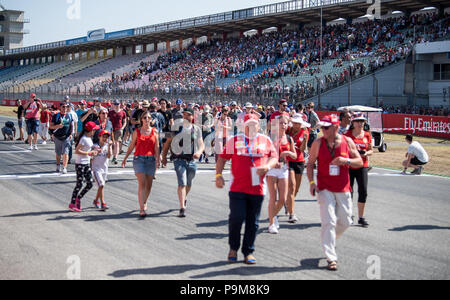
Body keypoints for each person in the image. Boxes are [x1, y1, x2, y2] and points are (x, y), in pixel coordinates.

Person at [216, 113, 278, 264]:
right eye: (248, 124)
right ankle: (233, 248)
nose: (251, 127)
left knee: (253, 222)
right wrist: (218, 175)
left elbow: (274, 157)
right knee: (236, 218)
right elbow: (223, 158)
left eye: (254, 124)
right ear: (244, 126)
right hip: (237, 188)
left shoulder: (265, 140)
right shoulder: (235, 140)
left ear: (258, 125)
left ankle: (248, 252)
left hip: (257, 189)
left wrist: (267, 166)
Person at [307, 114, 363, 271]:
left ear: (336, 128)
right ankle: (331, 258)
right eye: (322, 127)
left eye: (326, 127)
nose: (323, 130)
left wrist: (346, 161)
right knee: (329, 221)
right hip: (324, 188)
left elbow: (360, 162)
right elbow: (310, 164)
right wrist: (312, 183)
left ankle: (330, 239)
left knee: (346, 222)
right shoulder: (318, 143)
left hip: (343, 188)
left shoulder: (347, 141)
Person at [162, 107, 204, 218]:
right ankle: (182, 208)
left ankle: (184, 197)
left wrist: (199, 152)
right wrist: (164, 157)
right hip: (178, 159)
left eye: (188, 115)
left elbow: (201, 144)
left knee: (189, 184)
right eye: (184, 115)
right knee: (182, 183)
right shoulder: (176, 128)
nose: (186, 117)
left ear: (192, 116)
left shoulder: (196, 129)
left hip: (192, 160)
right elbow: (167, 142)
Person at [122, 111, 160, 218]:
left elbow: (156, 147)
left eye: (149, 117)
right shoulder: (137, 131)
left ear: (151, 120)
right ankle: (141, 209)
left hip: (151, 160)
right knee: (142, 183)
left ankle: (144, 201)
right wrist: (125, 158)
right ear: (141, 120)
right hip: (139, 159)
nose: (147, 119)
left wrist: (158, 159)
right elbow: (131, 145)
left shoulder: (155, 131)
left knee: (149, 186)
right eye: (145, 117)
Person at [267, 115, 297, 234]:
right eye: (281, 123)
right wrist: (273, 162)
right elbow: (265, 153)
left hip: (284, 168)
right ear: (276, 124)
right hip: (272, 169)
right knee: (273, 197)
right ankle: (271, 224)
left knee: (282, 199)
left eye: (285, 123)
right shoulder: (271, 137)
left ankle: (272, 217)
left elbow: (295, 155)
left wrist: (287, 152)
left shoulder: (289, 139)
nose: (283, 125)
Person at [344, 113, 373, 228]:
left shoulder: (367, 135)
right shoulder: (347, 135)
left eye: (362, 121)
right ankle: (349, 215)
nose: (360, 123)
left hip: (363, 165)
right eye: (357, 121)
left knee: (363, 191)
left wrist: (366, 153)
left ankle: (361, 217)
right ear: (353, 122)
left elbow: (371, 150)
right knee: (348, 192)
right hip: (350, 166)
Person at [69, 121, 100, 212]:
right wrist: (88, 153)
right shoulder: (83, 139)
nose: (95, 131)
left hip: (86, 163)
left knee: (90, 183)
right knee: (79, 184)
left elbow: (89, 147)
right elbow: (77, 151)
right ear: (91, 130)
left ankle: (78, 198)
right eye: (94, 129)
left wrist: (95, 149)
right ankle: (72, 203)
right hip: (80, 163)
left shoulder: (89, 138)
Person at [286, 113, 310, 223]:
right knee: (292, 185)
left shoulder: (304, 132)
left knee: (297, 188)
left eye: (298, 123)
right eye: (295, 123)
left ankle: (289, 203)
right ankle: (291, 213)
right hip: (289, 160)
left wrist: (305, 140)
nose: (296, 125)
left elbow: (302, 149)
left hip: (299, 161)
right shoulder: (288, 131)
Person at [92, 130, 113, 211]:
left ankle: (96, 200)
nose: (105, 139)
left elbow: (108, 156)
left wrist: (109, 146)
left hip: (104, 169)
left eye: (106, 137)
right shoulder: (95, 146)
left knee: (101, 186)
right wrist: (97, 152)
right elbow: (91, 156)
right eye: (103, 137)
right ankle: (103, 203)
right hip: (96, 169)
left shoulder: (107, 146)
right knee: (101, 185)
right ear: (99, 137)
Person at [50, 103, 73, 174]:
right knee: (58, 153)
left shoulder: (69, 115)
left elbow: (71, 125)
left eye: (66, 107)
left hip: (66, 137)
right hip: (57, 137)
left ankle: (64, 167)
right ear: (60, 107)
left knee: (66, 152)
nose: (65, 108)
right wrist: (57, 126)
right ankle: (58, 165)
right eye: (63, 107)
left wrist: (71, 134)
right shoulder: (56, 116)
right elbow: (51, 127)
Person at [108, 100, 127, 165]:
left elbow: (125, 121)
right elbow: (108, 120)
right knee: (111, 144)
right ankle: (112, 155)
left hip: (118, 129)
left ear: (120, 104)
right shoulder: (110, 112)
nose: (116, 105)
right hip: (111, 129)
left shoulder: (123, 112)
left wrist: (122, 128)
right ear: (113, 105)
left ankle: (115, 157)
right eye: (115, 104)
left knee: (117, 143)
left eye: (117, 104)